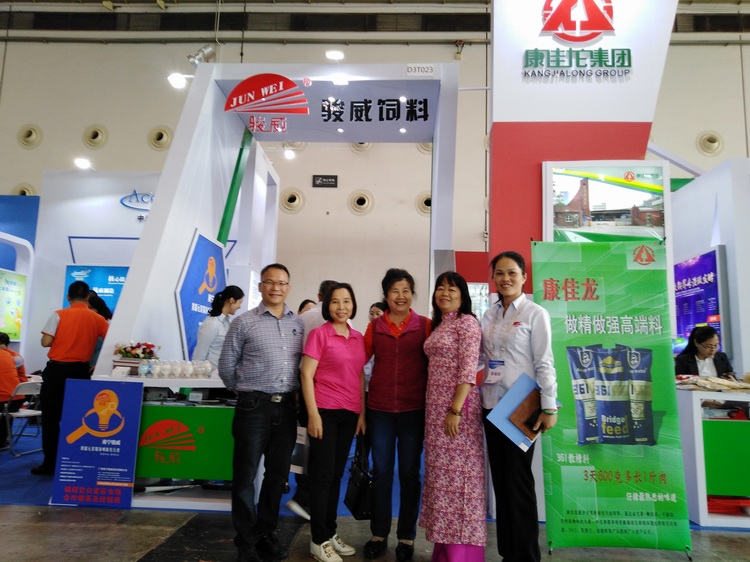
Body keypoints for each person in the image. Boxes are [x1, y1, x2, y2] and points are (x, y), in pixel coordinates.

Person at [218, 264, 304, 562]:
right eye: (270, 282)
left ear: (288, 287)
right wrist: (246, 392)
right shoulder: (244, 322)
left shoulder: (298, 324)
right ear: (261, 287)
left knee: (277, 475)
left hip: (287, 407)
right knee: (244, 475)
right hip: (253, 407)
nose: (276, 288)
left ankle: (265, 533)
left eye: (282, 283)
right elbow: (226, 366)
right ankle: (245, 541)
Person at [480, 251, 558, 562]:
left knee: (519, 483)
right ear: (493, 278)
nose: (505, 278)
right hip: (491, 405)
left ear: (524, 277)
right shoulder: (489, 315)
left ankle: (526, 556)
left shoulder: (535, 313)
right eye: (499, 273)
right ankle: (508, 553)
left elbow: (544, 362)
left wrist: (549, 407)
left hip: (520, 407)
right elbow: (482, 357)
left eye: (512, 272)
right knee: (501, 483)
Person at [364, 268, 430, 562]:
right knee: (381, 471)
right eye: (394, 291)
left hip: (413, 410)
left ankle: (406, 536)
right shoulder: (375, 327)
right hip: (379, 411)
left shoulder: (425, 326)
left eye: (405, 290)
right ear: (386, 295)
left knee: (409, 473)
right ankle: (378, 534)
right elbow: (357, 364)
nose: (400, 296)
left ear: (411, 294)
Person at [420, 271, 485, 562]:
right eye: (440, 288)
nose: (444, 293)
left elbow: (468, 371)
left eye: (452, 288)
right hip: (436, 413)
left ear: (463, 295)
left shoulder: (467, 323)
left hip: (457, 412)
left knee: (460, 483)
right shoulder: (442, 323)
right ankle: (444, 550)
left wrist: (455, 410)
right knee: (441, 481)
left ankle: (462, 554)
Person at [301, 282, 367, 562]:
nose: (342, 307)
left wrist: (361, 413)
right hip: (325, 411)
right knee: (322, 477)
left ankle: (329, 532)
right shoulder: (319, 334)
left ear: (353, 305)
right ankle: (318, 540)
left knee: (336, 476)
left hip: (349, 414)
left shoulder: (358, 337)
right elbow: (306, 375)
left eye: (347, 301)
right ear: (327, 305)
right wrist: (313, 414)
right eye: (336, 301)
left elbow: (360, 375)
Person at [34, 280, 110, 475]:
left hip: (56, 372)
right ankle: (75, 462)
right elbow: (111, 343)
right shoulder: (98, 319)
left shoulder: (58, 314)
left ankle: (50, 463)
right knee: (79, 418)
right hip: (81, 373)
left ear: (68, 297)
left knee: (51, 419)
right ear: (87, 298)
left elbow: (45, 342)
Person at [288, 280, 339, 520]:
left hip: (301, 386)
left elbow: (292, 354)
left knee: (304, 443)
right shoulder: (337, 323)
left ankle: (303, 494)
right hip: (328, 392)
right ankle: (306, 499)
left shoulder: (303, 318)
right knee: (321, 449)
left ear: (318, 295)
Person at [193, 285, 245, 369]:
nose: (239, 307)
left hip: (222, 373)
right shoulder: (211, 323)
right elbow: (199, 355)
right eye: (239, 302)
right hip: (210, 374)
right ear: (232, 300)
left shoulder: (227, 323)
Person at [0, 333, 27, 448]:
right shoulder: (13, 356)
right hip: (17, 399)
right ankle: (4, 438)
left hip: (6, 399)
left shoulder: (13, 357)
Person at [87, 293, 112, 370]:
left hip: (97, 366)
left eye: (89, 308)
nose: (87, 310)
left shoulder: (107, 324)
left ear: (98, 308)